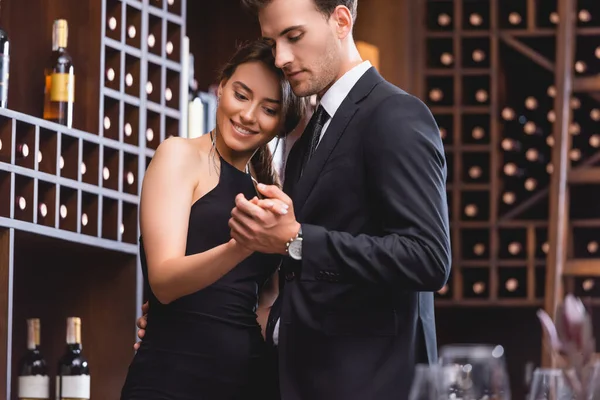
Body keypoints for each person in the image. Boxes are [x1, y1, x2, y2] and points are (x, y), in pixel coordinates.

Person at [137, 0, 451, 398]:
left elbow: (429, 258)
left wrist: (295, 241)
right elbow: (294, 279)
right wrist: (190, 323)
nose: (282, 57)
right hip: (288, 378)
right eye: (272, 41)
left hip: (370, 384)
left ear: (341, 20)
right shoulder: (305, 144)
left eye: (294, 36)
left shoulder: (395, 114)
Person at [120, 39, 306, 400]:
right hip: (170, 376)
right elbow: (164, 282)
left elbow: (267, 301)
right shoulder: (178, 155)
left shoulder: (268, 193)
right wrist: (241, 246)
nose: (249, 115)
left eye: (268, 109)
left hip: (250, 380)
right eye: (241, 95)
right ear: (221, 87)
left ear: (282, 124)